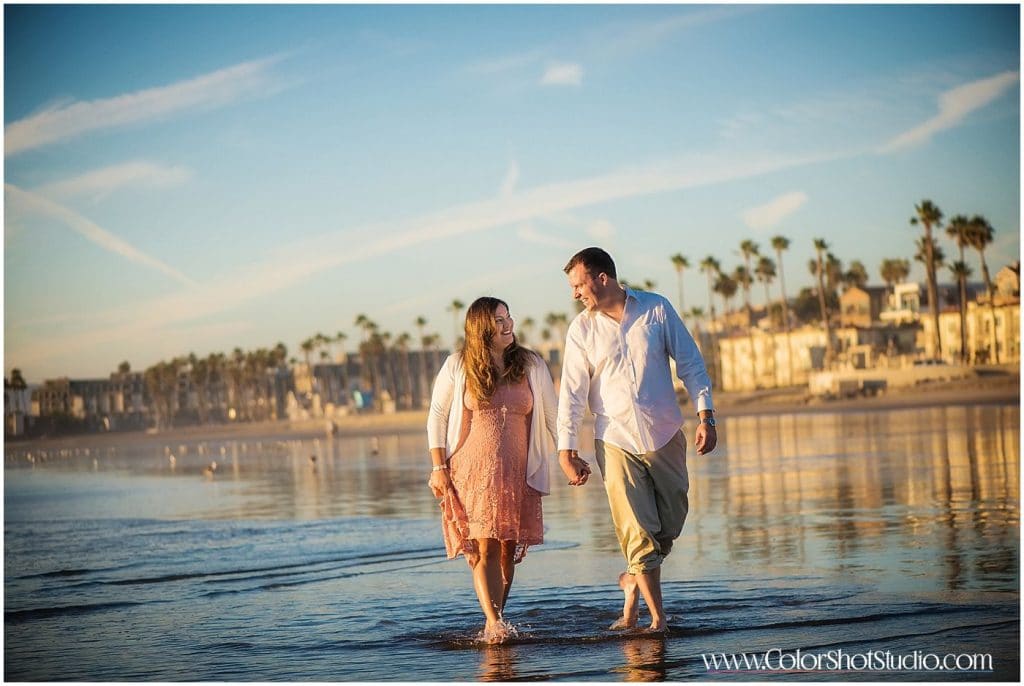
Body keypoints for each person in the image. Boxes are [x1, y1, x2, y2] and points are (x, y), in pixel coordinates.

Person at [556, 247, 717, 633]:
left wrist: (705, 414)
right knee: (637, 533)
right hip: (615, 440)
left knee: (671, 522)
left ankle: (632, 582)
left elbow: (690, 362)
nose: (576, 293)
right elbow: (573, 393)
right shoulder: (582, 330)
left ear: (602, 278)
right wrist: (567, 450)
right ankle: (656, 619)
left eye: (579, 284)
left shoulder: (656, 309)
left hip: (664, 434)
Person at [427, 296, 558, 643]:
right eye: (499, 320)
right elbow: (437, 415)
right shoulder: (459, 364)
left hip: (519, 472)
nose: (508, 324)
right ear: (482, 328)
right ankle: (493, 621)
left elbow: (551, 414)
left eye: (509, 317)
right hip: (474, 471)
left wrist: (567, 455)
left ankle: (496, 617)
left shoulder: (529, 363)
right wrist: (438, 466)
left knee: (507, 550)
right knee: (486, 547)